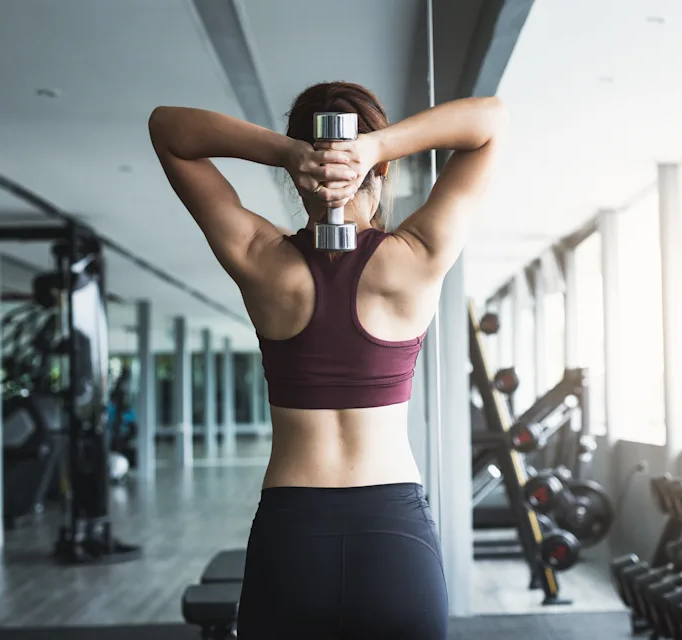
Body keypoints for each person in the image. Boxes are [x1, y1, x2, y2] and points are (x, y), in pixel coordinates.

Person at [148, 82, 508, 639]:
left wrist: (289, 152)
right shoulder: (416, 258)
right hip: (396, 538)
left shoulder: (260, 259)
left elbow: (168, 129)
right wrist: (376, 148)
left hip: (293, 534)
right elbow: (490, 122)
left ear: (296, 178)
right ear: (380, 172)